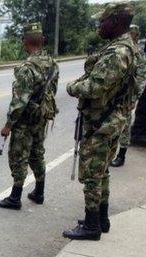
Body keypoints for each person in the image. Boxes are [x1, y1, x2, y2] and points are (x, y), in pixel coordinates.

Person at [63, 3, 141, 241]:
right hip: (111, 119)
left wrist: (72, 87)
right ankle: (101, 220)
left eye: (103, 21)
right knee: (102, 172)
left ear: (116, 22)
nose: (99, 24)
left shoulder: (117, 53)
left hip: (101, 123)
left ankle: (91, 225)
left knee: (92, 175)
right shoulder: (128, 48)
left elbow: (94, 87)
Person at [0, 23, 59, 210]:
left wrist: (8, 125)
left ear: (26, 41)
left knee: (19, 156)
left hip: (25, 120)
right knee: (37, 153)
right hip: (42, 117)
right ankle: (39, 192)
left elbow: (19, 102)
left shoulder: (27, 67)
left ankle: (15, 198)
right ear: (42, 41)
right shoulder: (52, 63)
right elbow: (52, 92)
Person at [110, 24, 144, 167]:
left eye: (131, 33)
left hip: (127, 96)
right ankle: (109, 154)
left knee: (124, 127)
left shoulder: (138, 54)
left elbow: (141, 79)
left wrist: (134, 98)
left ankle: (121, 156)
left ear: (136, 35)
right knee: (112, 125)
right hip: (115, 96)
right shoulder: (122, 50)